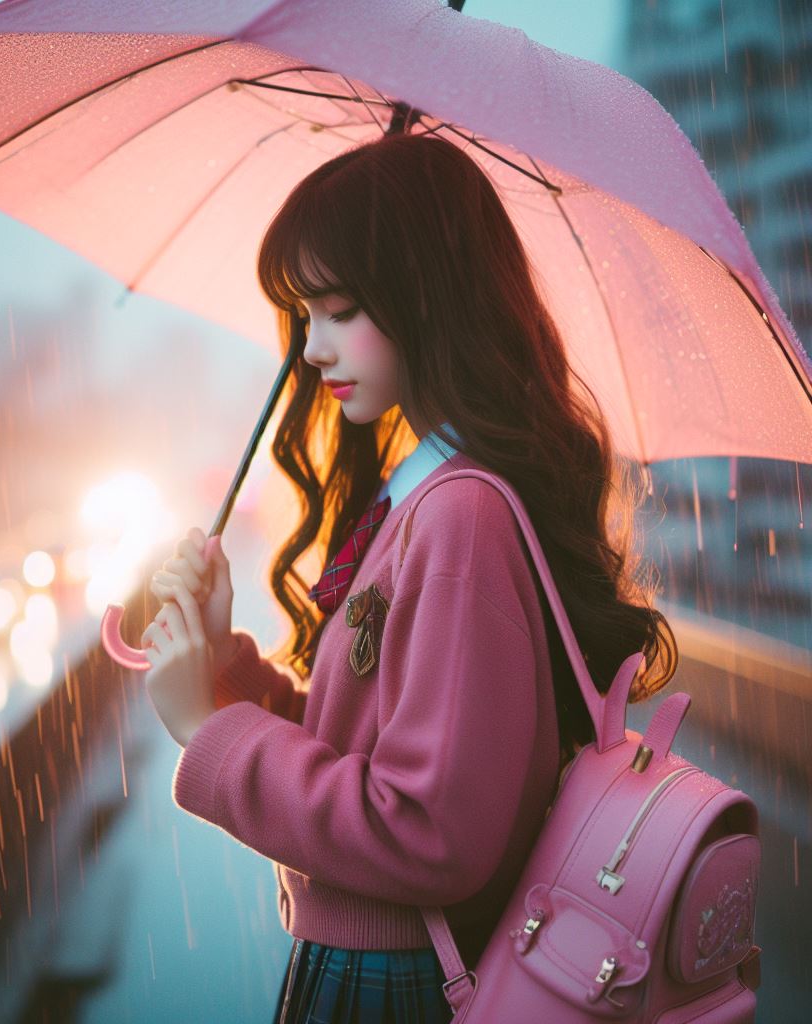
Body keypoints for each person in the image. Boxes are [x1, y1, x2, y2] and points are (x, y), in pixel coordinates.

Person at [138, 131, 678, 1023]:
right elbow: (364, 755)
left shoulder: (459, 516)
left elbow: (429, 833)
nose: (312, 349)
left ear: (430, 300)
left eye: (340, 308)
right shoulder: (419, 497)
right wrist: (227, 675)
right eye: (305, 314)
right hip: (377, 972)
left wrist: (209, 728)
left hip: (398, 985)